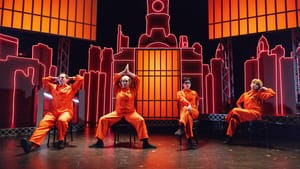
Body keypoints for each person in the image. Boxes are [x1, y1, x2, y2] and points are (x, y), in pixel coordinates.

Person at [89, 64, 156, 149]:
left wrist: (129, 73)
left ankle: (145, 143)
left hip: (131, 113)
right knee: (102, 119)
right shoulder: (117, 89)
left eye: (126, 81)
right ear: (121, 83)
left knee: (141, 120)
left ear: (129, 82)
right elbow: (115, 78)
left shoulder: (133, 90)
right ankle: (99, 142)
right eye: (123, 81)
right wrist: (123, 72)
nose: (124, 82)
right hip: (118, 113)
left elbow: (137, 80)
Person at [20, 73, 84, 153]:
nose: (61, 79)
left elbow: (81, 79)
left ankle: (60, 140)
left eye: (63, 78)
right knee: (43, 123)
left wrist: (72, 77)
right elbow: (44, 80)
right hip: (53, 112)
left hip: (66, 112)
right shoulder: (53, 87)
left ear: (67, 80)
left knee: (62, 120)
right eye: (59, 77)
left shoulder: (71, 88)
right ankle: (31, 144)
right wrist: (54, 78)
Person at [224, 78, 275, 144]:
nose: (254, 85)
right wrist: (241, 110)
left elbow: (273, 94)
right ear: (250, 84)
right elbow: (238, 102)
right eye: (253, 83)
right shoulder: (245, 94)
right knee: (233, 119)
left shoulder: (259, 94)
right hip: (246, 113)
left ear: (259, 87)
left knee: (235, 110)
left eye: (257, 84)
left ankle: (226, 119)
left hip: (255, 113)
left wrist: (265, 89)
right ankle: (229, 138)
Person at [174, 77, 200, 149]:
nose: (187, 84)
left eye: (189, 83)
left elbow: (198, 102)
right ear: (183, 84)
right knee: (188, 117)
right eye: (186, 83)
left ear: (190, 84)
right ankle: (190, 140)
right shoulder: (180, 93)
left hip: (194, 111)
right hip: (185, 113)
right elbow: (182, 99)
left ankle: (181, 127)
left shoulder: (194, 92)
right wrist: (188, 105)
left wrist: (193, 108)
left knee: (186, 110)